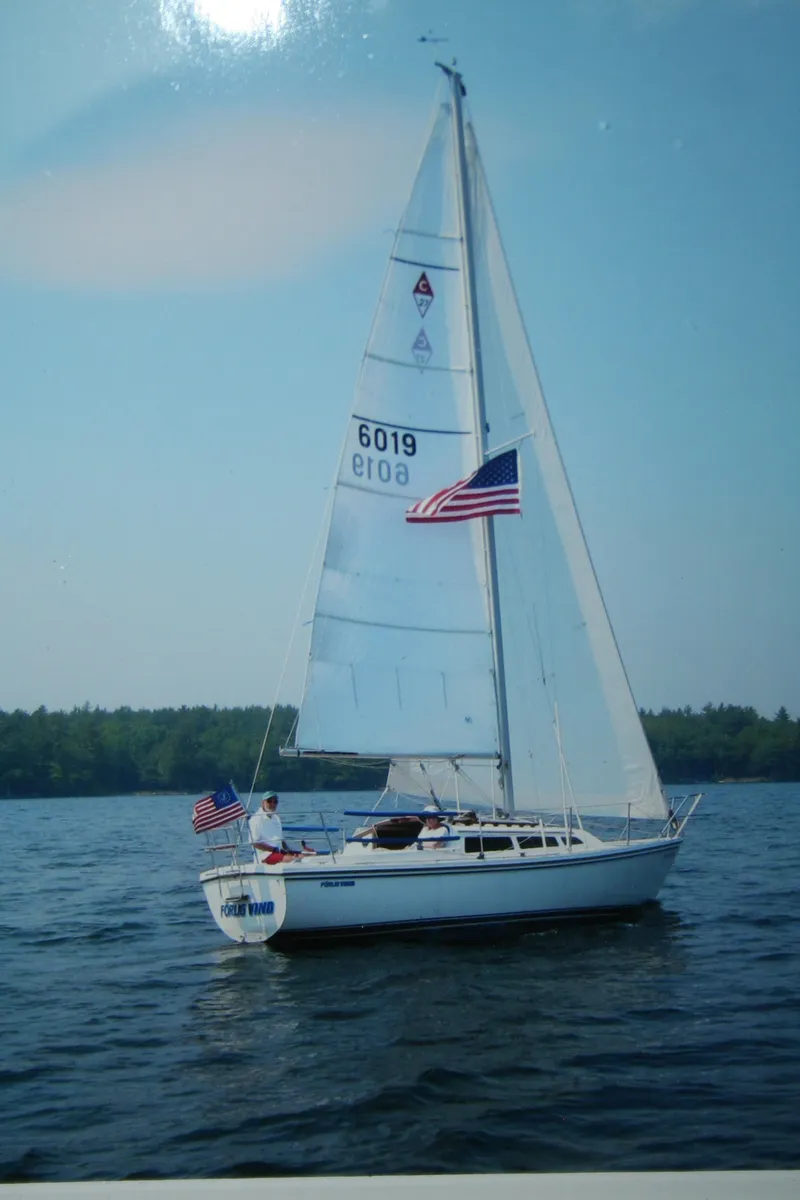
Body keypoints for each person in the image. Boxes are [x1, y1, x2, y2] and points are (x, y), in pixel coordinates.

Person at [248, 792, 316, 864]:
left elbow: (281, 841)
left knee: (307, 857)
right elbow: (254, 843)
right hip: (265, 855)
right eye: (269, 801)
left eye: (275, 802)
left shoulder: (276, 818)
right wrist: (274, 850)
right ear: (262, 803)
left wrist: (290, 851)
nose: (272, 804)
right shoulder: (255, 819)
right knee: (294, 860)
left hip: (279, 852)